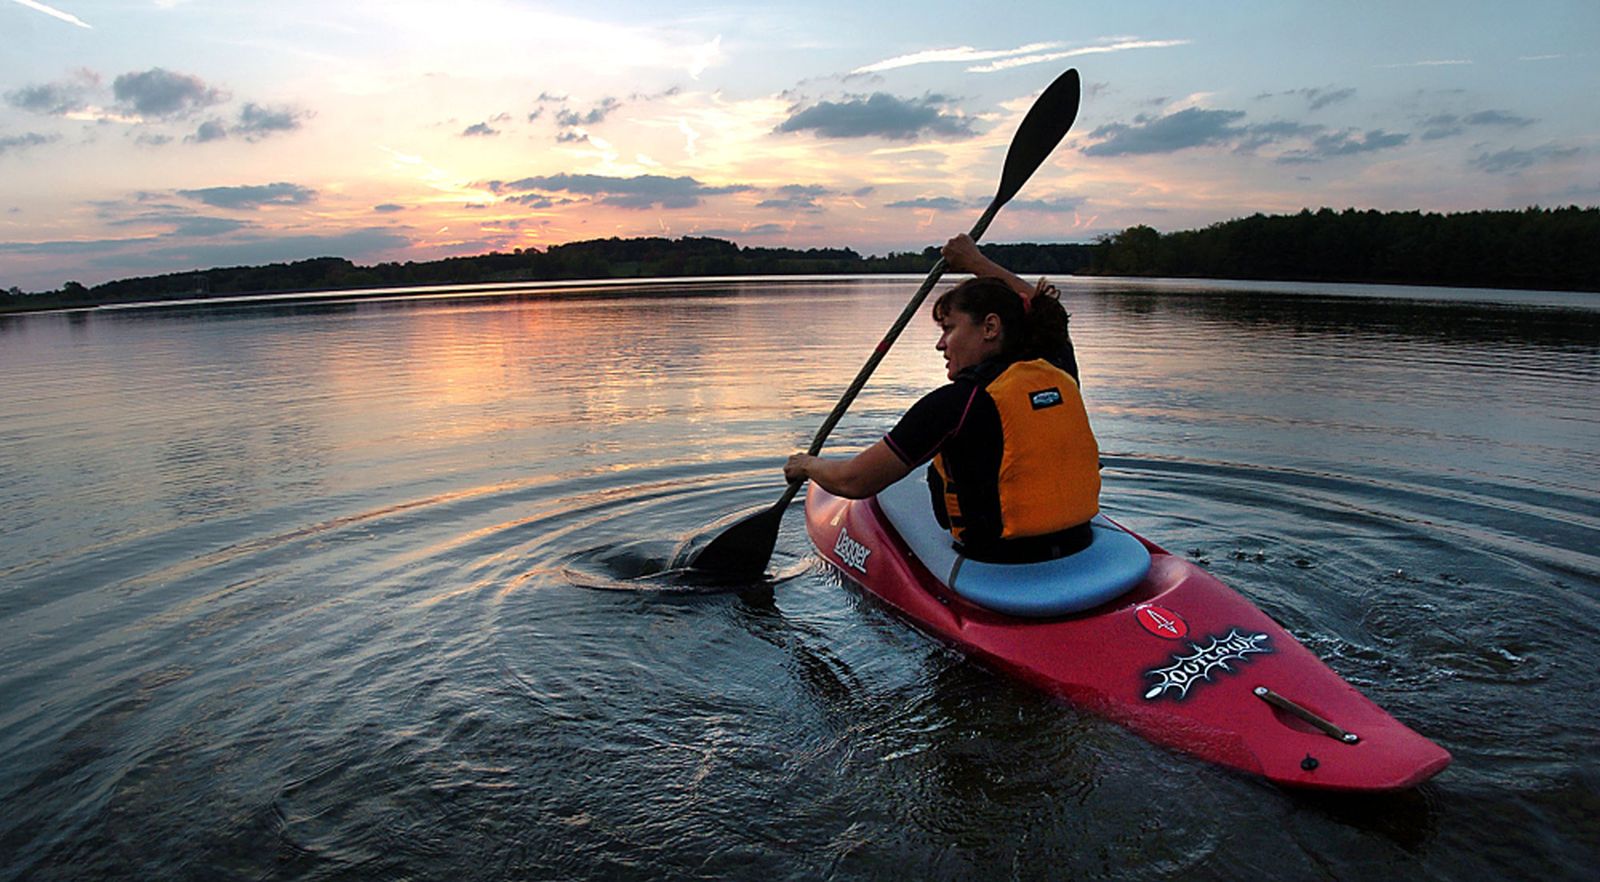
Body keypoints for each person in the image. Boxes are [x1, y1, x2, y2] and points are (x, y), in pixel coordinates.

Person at [784, 234, 1101, 563]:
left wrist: (807, 465)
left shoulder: (956, 403)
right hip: (1078, 542)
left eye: (948, 328)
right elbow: (1048, 311)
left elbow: (856, 481)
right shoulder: (1057, 368)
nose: (940, 344)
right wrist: (976, 262)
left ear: (990, 327)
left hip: (1000, 559)